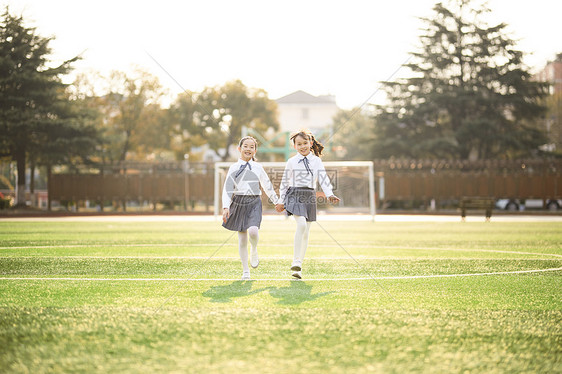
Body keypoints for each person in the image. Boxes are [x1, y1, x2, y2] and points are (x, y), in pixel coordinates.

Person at [276, 129, 340, 279]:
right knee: (302, 225)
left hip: (309, 196)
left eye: (305, 143)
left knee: (306, 232)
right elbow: (284, 182)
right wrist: (281, 201)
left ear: (311, 143)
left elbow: (323, 178)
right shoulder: (291, 162)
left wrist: (329, 194)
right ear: (294, 146)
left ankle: (297, 268)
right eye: (299, 144)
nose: (302, 146)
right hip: (295, 194)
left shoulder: (316, 161)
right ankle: (295, 260)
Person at [222, 136, 279, 280]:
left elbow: (267, 185)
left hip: (254, 202)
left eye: (251, 147)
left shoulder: (258, 167)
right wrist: (225, 206)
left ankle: (254, 249)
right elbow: (227, 188)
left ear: (255, 150)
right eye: (245, 146)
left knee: (253, 232)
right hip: (239, 202)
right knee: (242, 240)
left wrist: (276, 201)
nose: (248, 149)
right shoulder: (233, 167)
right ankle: (245, 271)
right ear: (239, 149)